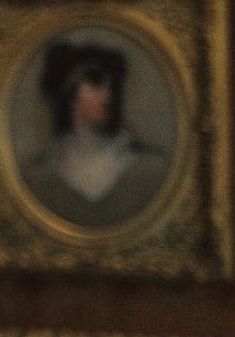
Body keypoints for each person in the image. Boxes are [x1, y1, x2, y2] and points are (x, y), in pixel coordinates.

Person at [18, 38, 166, 230]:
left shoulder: (148, 168)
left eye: (111, 87)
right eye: (96, 84)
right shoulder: (40, 175)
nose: (107, 96)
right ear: (68, 93)